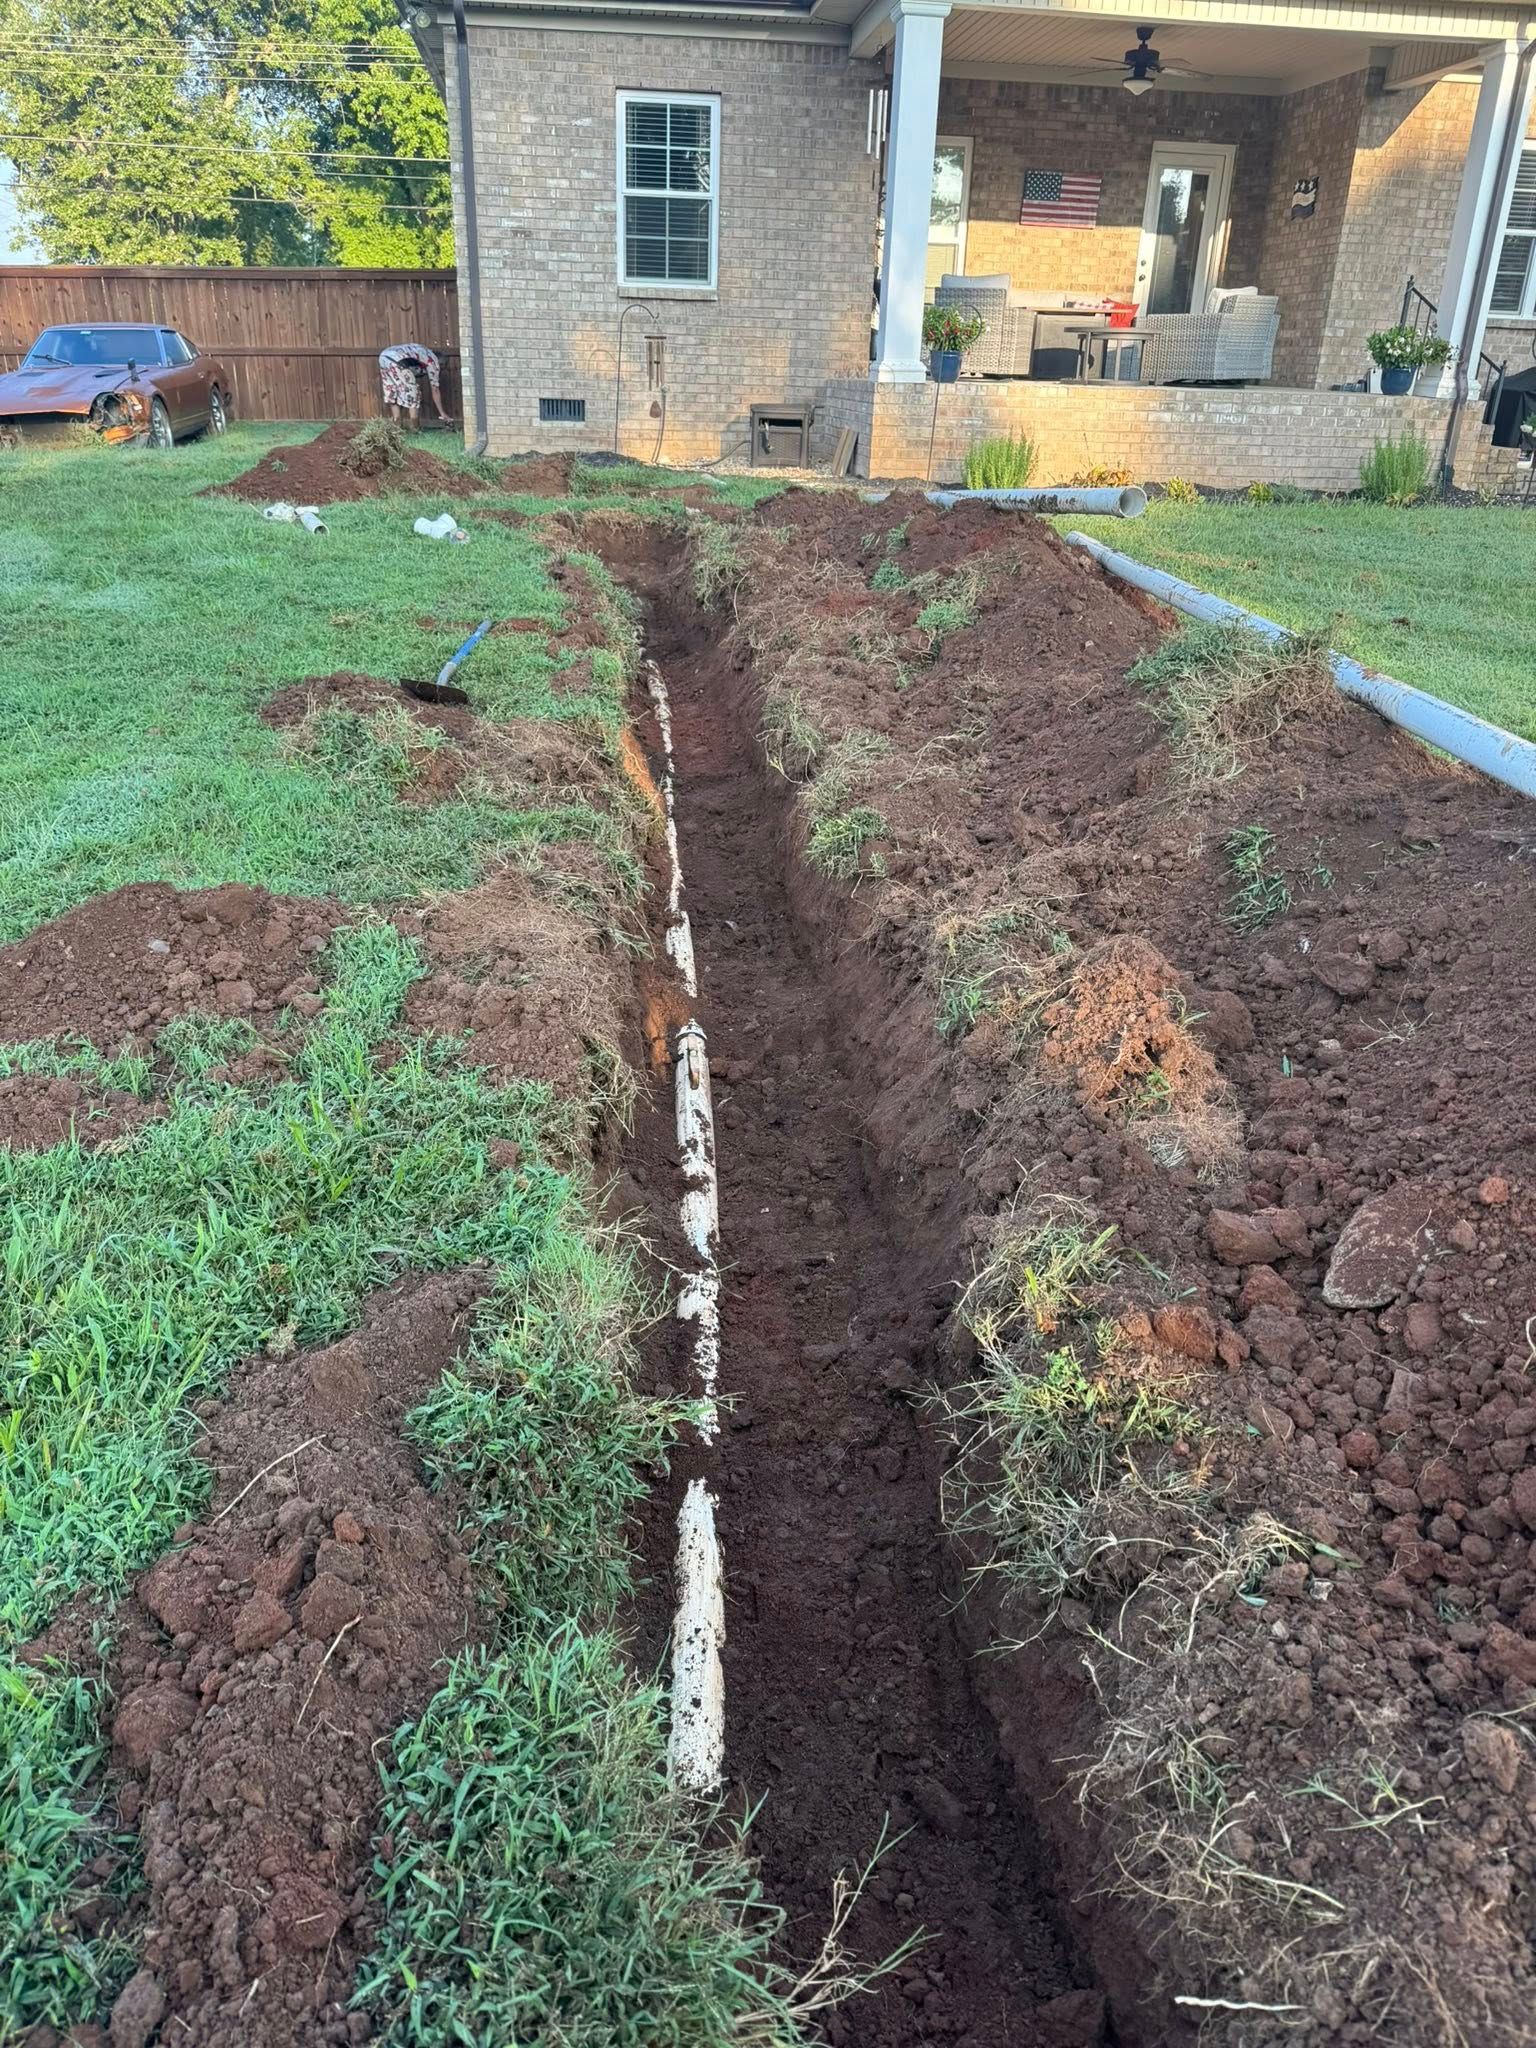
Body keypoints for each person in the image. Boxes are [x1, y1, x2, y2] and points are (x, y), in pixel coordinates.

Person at [378, 343, 451, 428]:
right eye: (443, 367)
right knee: (414, 393)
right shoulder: (434, 361)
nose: (441, 370)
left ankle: (396, 427)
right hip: (398, 360)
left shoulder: (424, 352)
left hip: (383, 356)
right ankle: (414, 427)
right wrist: (442, 413)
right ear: (441, 363)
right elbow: (435, 390)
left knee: (392, 391)